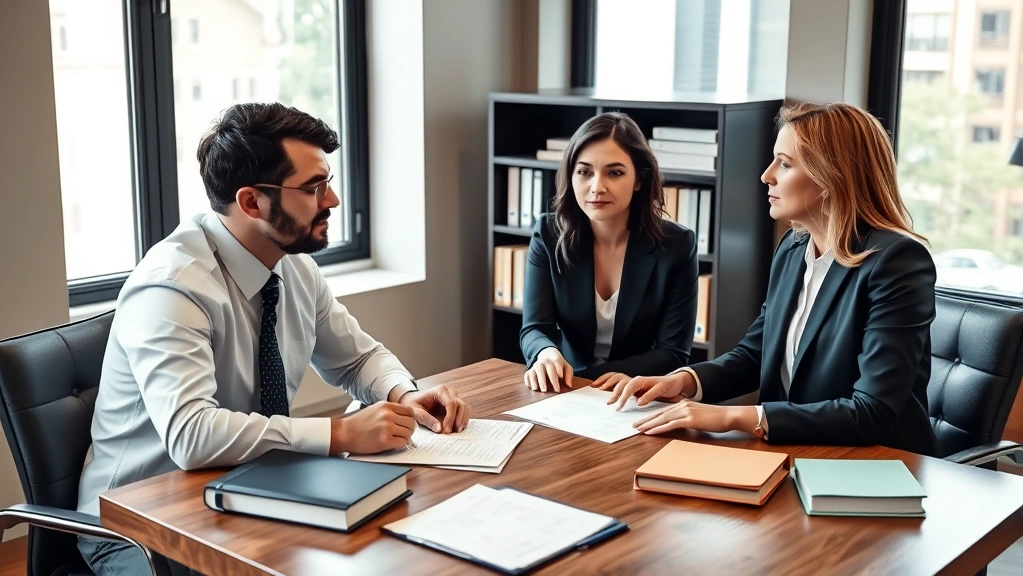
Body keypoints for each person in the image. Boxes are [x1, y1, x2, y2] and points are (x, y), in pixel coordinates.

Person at [76, 103, 470, 575]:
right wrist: (341, 433)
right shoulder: (172, 287)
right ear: (251, 202)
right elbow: (191, 435)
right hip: (138, 526)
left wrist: (404, 394)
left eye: (327, 182)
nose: (332, 200)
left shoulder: (293, 264)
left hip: (251, 494)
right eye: (313, 188)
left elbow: (356, 359)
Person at [597, 102, 939, 457]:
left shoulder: (897, 262)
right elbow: (755, 355)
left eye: (785, 164)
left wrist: (732, 417)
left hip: (876, 463)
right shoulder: (793, 247)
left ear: (831, 176)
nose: (766, 175)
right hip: (795, 450)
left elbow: (872, 412)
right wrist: (683, 381)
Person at [520, 112, 699, 393]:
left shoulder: (677, 245)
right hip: (563, 390)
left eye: (614, 173)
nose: (597, 187)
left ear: (639, 179)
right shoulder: (548, 234)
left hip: (636, 392)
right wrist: (545, 353)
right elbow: (535, 328)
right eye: (585, 172)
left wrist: (586, 380)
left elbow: (673, 352)